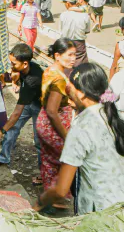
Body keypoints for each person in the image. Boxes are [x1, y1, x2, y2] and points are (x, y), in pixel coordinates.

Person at [34, 63, 124, 215]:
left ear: (82, 93)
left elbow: (61, 190)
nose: (68, 98)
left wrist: (41, 201)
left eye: (71, 91)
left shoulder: (80, 127)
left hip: (99, 213)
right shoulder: (114, 115)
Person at [36, 38, 76, 201]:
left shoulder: (51, 70)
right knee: (67, 163)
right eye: (70, 55)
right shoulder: (59, 78)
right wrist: (66, 137)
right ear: (57, 56)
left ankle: (52, 202)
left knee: (49, 163)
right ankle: (60, 198)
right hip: (54, 126)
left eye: (75, 55)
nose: (73, 59)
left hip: (43, 123)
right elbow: (53, 111)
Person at [0, 43, 43, 172]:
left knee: (39, 141)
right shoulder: (24, 69)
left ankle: (43, 173)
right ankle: (4, 157)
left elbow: (16, 113)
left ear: (25, 64)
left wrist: (0, 133)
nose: (12, 66)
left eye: (14, 63)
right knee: (13, 127)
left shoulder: (32, 80)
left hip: (41, 108)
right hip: (30, 101)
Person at [60, 0, 90, 73]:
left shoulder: (63, 15)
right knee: (82, 67)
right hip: (80, 43)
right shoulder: (85, 15)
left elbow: (62, 30)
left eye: (65, 3)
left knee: (67, 64)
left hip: (67, 43)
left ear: (68, 3)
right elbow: (87, 31)